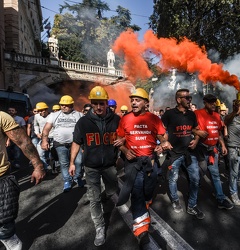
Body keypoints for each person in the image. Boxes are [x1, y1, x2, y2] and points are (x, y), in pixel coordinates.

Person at [116, 88, 172, 248]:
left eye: (137, 100)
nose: (133, 102)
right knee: (137, 192)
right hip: (133, 163)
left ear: (146, 103)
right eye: (132, 100)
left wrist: (164, 143)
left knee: (148, 189)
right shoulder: (125, 119)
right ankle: (141, 230)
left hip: (151, 162)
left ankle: (146, 202)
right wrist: (126, 151)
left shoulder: (154, 119)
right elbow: (119, 140)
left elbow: (162, 136)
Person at [69, 86, 122, 246]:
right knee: (94, 198)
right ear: (91, 104)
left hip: (109, 165)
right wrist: (72, 163)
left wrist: (121, 153)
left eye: (101, 103)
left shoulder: (116, 120)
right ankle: (100, 227)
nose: (98, 107)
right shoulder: (83, 122)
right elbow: (76, 142)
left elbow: (124, 137)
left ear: (106, 103)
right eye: (95, 103)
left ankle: (106, 194)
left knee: (112, 190)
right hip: (91, 167)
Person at [0, 111, 45, 250]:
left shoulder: (1, 116)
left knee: (4, 215)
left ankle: (9, 239)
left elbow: (23, 141)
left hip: (1, 175)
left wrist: (38, 165)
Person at [161, 89, 209, 218]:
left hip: (189, 153)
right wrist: (163, 142)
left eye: (190, 97)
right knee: (173, 179)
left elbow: (196, 130)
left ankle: (192, 206)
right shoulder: (169, 114)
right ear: (178, 100)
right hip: (174, 154)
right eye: (187, 97)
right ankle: (175, 201)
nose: (190, 100)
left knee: (195, 179)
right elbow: (160, 131)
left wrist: (196, 140)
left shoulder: (192, 115)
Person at [194, 94, 233, 210]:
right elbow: (189, 127)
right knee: (197, 175)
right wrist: (197, 132)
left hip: (213, 151)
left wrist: (222, 145)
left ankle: (220, 198)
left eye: (214, 102)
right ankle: (193, 198)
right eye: (210, 102)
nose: (213, 104)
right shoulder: (197, 113)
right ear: (205, 102)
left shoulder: (217, 116)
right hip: (200, 150)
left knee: (215, 175)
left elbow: (219, 132)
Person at [41, 95, 84, 192]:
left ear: (71, 105)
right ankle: (67, 181)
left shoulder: (79, 115)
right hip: (60, 144)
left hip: (76, 144)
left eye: (66, 105)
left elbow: (84, 129)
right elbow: (46, 128)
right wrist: (44, 140)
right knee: (64, 163)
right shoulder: (54, 115)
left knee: (78, 162)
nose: (63, 107)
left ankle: (77, 177)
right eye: (62, 105)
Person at [34, 102, 52, 172]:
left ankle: (53, 167)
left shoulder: (52, 115)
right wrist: (37, 133)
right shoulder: (37, 116)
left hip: (52, 137)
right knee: (40, 154)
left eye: (42, 110)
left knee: (52, 155)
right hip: (43, 138)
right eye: (39, 111)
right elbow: (36, 125)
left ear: (46, 109)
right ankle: (45, 168)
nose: (41, 112)